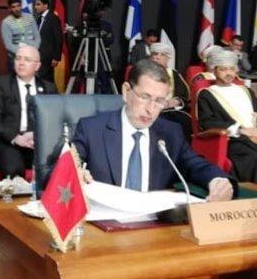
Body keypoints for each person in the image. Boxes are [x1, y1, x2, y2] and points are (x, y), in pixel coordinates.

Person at [73, 59, 234, 201]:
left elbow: (197, 165)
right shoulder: (92, 129)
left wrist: (218, 181)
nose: (151, 109)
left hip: (153, 222)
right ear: (126, 92)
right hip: (104, 221)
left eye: (159, 101)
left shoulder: (171, 133)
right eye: (144, 97)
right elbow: (64, 166)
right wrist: (75, 174)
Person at [197, 50, 257, 190]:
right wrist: (242, 130)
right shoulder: (207, 94)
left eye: (232, 69)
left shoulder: (246, 90)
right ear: (214, 71)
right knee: (255, 159)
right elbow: (207, 122)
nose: (229, 73)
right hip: (233, 140)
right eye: (223, 69)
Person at [0, 45, 57, 178]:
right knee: (13, 168)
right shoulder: (2, 84)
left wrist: (37, 135)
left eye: (27, 60)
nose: (21, 63)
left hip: (39, 143)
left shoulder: (48, 88)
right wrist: (15, 137)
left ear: (37, 66)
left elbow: (55, 121)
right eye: (18, 58)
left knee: (60, 165)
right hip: (10, 143)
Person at [149, 41, 192, 139]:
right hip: (151, 109)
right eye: (155, 54)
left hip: (171, 110)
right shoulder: (142, 72)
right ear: (150, 57)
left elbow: (184, 95)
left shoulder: (173, 74)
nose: (158, 57)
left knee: (185, 122)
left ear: (168, 58)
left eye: (162, 55)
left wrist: (176, 101)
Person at [1, 0, 40, 68]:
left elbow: (37, 37)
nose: (17, 9)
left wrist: (33, 50)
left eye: (18, 6)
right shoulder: (6, 22)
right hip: (16, 58)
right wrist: (24, 53)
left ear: (21, 6)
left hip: (31, 55)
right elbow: (8, 44)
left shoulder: (30, 17)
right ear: (9, 8)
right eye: (13, 7)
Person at [33, 0, 62, 83]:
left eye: (38, 4)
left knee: (45, 81)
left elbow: (58, 38)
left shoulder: (53, 18)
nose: (35, 7)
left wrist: (56, 57)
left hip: (48, 57)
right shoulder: (39, 19)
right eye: (35, 5)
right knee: (45, 81)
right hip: (39, 56)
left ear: (45, 5)